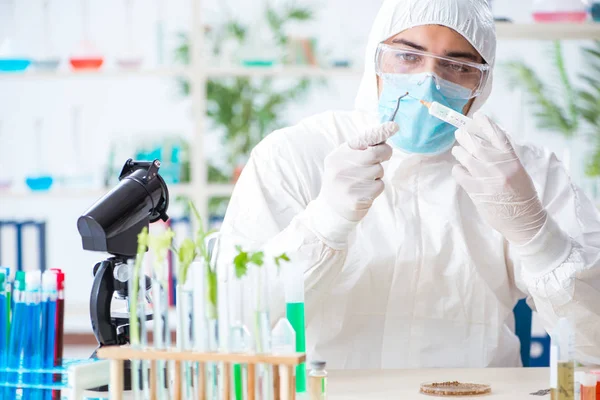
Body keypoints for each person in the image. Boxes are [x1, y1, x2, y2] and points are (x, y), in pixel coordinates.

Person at [219, 0, 600, 369]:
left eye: (458, 66)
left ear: (482, 82)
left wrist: (538, 237)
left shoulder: (523, 173)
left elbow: (594, 347)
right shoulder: (294, 155)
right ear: (376, 60)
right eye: (407, 56)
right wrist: (324, 223)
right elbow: (233, 319)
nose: (430, 82)